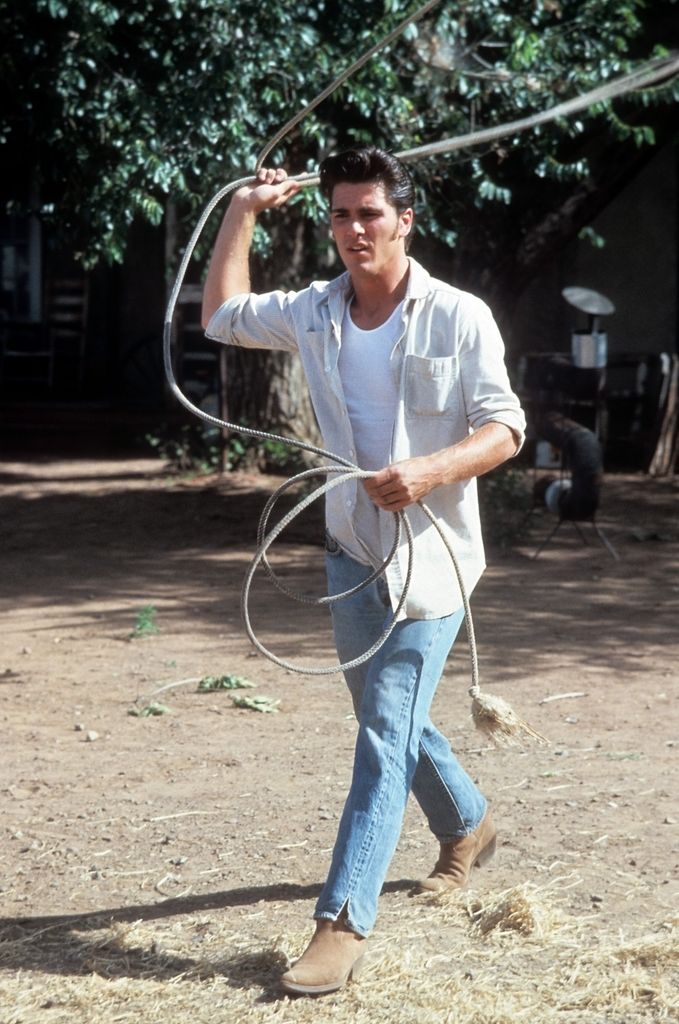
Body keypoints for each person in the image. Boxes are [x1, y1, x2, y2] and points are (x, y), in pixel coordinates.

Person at [201, 147, 526, 997]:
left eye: (369, 214)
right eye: (340, 214)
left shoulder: (459, 316)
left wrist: (429, 471)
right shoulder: (313, 311)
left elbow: (504, 429)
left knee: (383, 730)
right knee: (390, 716)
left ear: (404, 221)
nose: (352, 230)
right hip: (351, 548)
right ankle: (468, 824)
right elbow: (223, 314)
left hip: (432, 559)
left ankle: (341, 923)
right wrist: (243, 212)